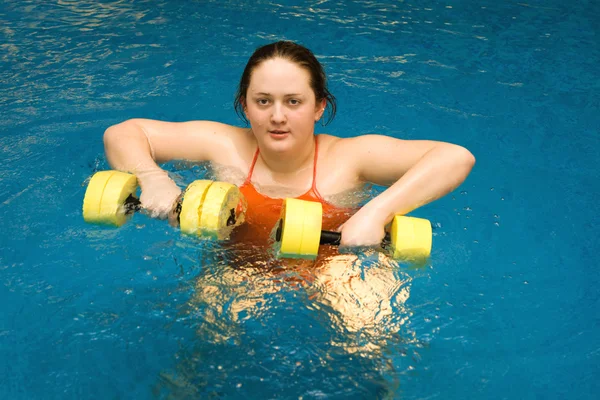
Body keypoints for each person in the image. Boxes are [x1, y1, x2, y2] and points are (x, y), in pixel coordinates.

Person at [103, 40, 475, 248]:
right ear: (245, 107)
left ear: (319, 108)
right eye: (263, 101)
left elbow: (454, 157)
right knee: (207, 340)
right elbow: (123, 132)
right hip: (241, 270)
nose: (277, 116)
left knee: (364, 330)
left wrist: (375, 213)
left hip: (337, 268)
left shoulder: (348, 158)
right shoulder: (225, 146)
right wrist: (152, 178)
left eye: (293, 102)